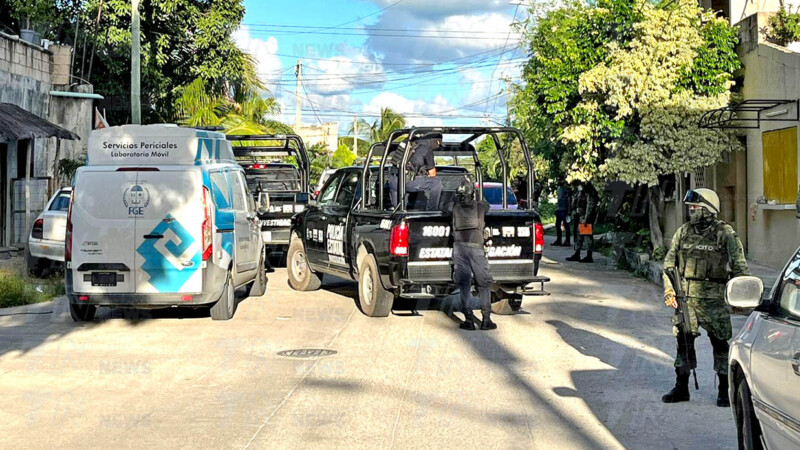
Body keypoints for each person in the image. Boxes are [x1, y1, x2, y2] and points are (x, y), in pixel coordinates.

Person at [661, 188, 749, 407]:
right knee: (683, 343)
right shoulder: (683, 232)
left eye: (696, 208)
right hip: (685, 297)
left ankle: (723, 390)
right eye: (690, 208)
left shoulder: (725, 232)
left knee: (720, 343)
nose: (691, 212)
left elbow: (740, 267)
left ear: (709, 209)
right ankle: (681, 388)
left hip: (714, 298)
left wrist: (741, 297)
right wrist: (670, 291)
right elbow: (668, 265)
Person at [447, 176, 495, 331]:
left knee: (464, 284)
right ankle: (486, 319)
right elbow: (487, 205)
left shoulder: (453, 207)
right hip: (476, 247)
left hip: (460, 248)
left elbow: (444, 208)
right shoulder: (480, 207)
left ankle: (468, 320)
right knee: (483, 283)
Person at [404, 132, 444, 211]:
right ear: (434, 140)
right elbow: (432, 174)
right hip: (408, 181)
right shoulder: (427, 148)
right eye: (438, 143)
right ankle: (432, 211)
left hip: (395, 179)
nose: (438, 146)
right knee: (436, 182)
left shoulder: (414, 144)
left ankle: (404, 209)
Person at [566, 182, 598, 263]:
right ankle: (577, 253)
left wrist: (586, 219)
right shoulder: (581, 191)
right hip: (581, 217)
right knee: (579, 236)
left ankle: (588, 256)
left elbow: (589, 206)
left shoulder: (589, 192)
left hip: (586, 218)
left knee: (587, 237)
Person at [553, 180, 571, 247]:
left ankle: (567, 241)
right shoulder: (559, 188)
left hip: (565, 209)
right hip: (559, 209)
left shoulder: (566, 189)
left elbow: (569, 200)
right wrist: (556, 208)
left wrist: (569, 210)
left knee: (566, 225)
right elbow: (558, 199)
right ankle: (559, 240)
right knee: (557, 225)